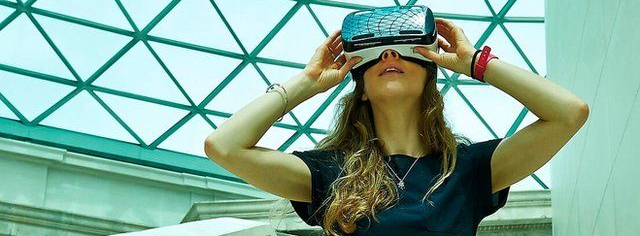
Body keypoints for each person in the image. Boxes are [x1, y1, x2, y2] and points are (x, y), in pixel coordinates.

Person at [204, 17, 590, 235]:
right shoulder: (330, 171)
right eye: (375, 56)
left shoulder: (469, 168)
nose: (389, 53)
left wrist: (476, 62)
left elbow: (569, 112)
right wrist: (306, 82)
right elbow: (224, 146)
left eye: (405, 51)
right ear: (363, 91)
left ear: (430, 80)